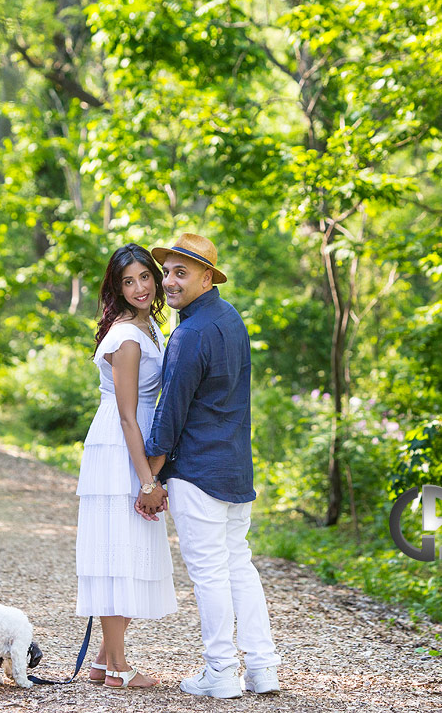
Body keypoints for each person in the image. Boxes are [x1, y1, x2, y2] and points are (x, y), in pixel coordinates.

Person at [139, 233, 281, 698]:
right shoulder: (230, 318)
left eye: (181, 273)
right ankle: (261, 668)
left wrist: (150, 479)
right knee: (239, 566)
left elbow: (169, 414)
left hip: (200, 471)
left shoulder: (190, 333)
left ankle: (220, 672)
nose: (169, 281)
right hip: (236, 469)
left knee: (211, 574)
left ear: (206, 278)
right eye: (168, 272)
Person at [74, 243, 176, 689]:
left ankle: (101, 660)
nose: (139, 287)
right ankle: (117, 666)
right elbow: (128, 414)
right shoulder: (128, 338)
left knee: (129, 550)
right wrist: (148, 479)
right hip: (121, 448)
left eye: (145, 277)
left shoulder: (149, 324)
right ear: (116, 287)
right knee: (119, 553)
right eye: (128, 281)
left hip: (134, 446)